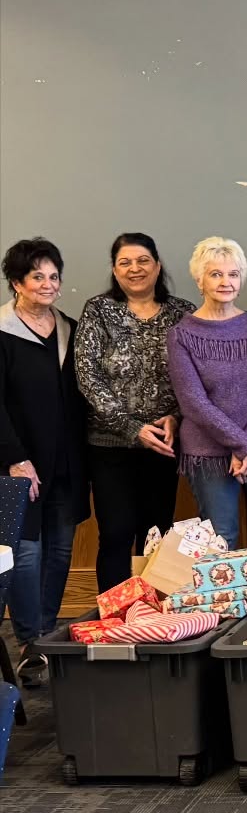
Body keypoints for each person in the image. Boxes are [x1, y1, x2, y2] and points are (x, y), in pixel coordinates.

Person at [74, 233, 195, 592]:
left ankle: (150, 617)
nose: (135, 268)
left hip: (164, 442)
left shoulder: (182, 313)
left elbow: (194, 376)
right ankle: (112, 618)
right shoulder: (99, 310)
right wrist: (130, 428)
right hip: (109, 444)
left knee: (156, 531)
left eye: (142, 260)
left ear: (157, 266)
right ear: (114, 269)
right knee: (116, 531)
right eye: (125, 262)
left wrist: (175, 416)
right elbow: (87, 374)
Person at [167, 238, 247, 569]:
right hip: (209, 454)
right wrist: (241, 444)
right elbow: (192, 402)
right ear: (199, 280)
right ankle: (226, 619)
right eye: (216, 274)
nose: (226, 282)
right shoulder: (181, 334)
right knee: (221, 541)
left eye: (233, 274)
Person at [0, 238, 89, 681]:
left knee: (59, 550)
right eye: (37, 276)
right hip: (20, 464)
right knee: (27, 553)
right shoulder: (1, 331)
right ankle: (30, 641)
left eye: (54, 276)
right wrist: (16, 459)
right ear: (17, 282)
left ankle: (49, 636)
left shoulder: (69, 329)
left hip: (67, 461)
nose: (48, 284)